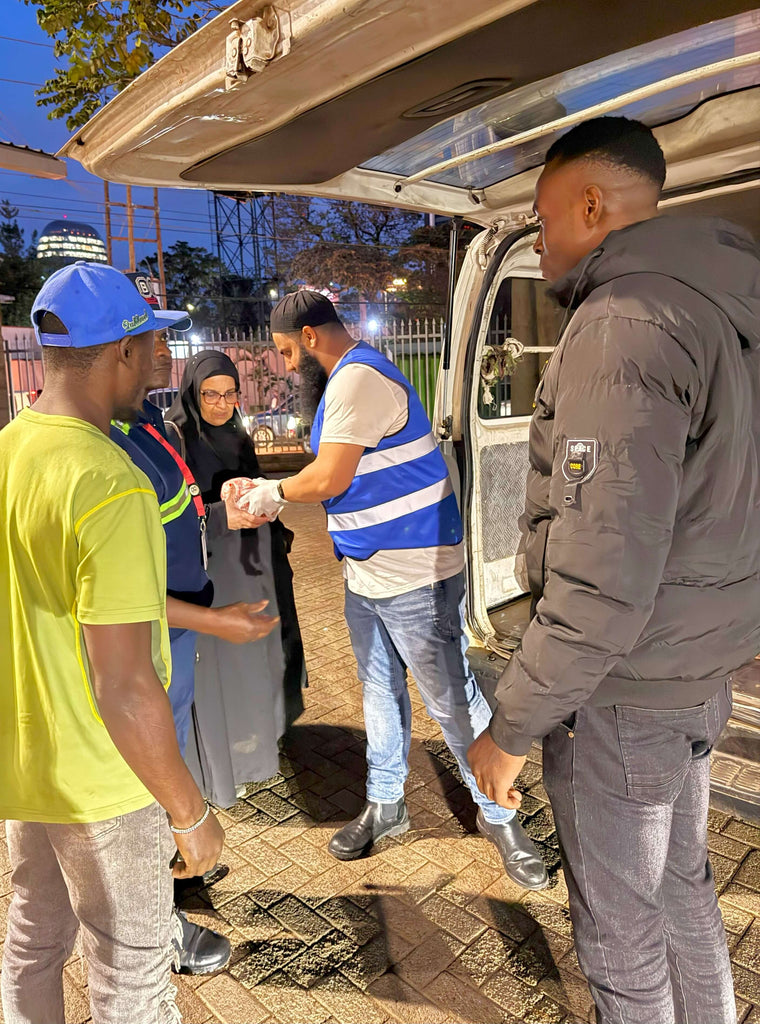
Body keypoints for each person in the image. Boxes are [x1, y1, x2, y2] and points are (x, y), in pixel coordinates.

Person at [467, 116, 760, 1023]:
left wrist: (509, 728)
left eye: (546, 219)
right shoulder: (721, 307)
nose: (543, 241)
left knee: (621, 933)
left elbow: (602, 577)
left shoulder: (624, 323)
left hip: (625, 696)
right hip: (690, 674)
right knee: (681, 896)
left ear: (592, 203)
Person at [241, 290, 548, 890]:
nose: (281, 366)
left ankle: (502, 816)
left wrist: (270, 496)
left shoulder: (357, 381)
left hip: (415, 577)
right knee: (380, 691)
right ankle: (387, 804)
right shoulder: (347, 380)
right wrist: (269, 485)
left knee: (451, 702)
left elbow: (331, 475)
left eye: (282, 352)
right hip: (368, 574)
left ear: (309, 337)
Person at [0, 261, 225, 1024]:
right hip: (105, 781)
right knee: (133, 980)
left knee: (31, 945)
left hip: (26, 775)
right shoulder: (108, 480)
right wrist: (190, 813)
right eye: (147, 347)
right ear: (121, 352)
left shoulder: (8, 453)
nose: (155, 365)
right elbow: (125, 686)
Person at [111, 325, 280, 974]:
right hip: (144, 644)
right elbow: (107, 595)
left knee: (168, 754)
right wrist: (214, 621)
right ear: (114, 351)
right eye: (153, 342)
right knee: (143, 779)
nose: (167, 354)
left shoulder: (144, 423)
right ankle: (153, 928)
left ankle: (170, 876)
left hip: (175, 635)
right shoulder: (97, 449)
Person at [164, 350, 305, 808]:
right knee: (218, 661)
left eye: (230, 394)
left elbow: (255, 478)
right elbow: (176, 510)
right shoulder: (175, 435)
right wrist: (220, 508)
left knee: (258, 651)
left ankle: (257, 740)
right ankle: (221, 762)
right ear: (192, 391)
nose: (222, 404)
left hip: (251, 559)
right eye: (211, 395)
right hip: (210, 566)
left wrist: (263, 501)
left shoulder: (237, 431)